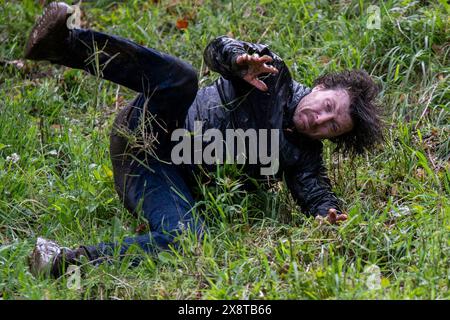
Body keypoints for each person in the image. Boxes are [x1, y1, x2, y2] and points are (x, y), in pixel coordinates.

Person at [25, 2, 384, 277]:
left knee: (188, 240)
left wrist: (330, 214)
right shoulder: (272, 74)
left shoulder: (304, 155)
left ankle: (59, 261)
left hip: (154, 175)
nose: (320, 120)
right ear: (321, 88)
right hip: (150, 124)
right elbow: (217, 49)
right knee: (181, 76)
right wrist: (237, 60)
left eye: (332, 127)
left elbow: (317, 194)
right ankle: (64, 45)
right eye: (327, 106)